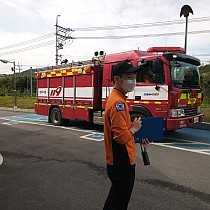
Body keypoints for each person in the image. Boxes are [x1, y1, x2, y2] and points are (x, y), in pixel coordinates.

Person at [103, 60, 149, 210]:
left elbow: (122, 130)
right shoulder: (118, 104)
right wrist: (134, 129)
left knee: (114, 199)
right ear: (117, 79)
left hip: (117, 162)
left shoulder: (119, 99)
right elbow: (121, 137)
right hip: (122, 162)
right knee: (119, 204)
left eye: (134, 76)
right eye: (129, 76)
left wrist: (136, 133)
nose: (133, 80)